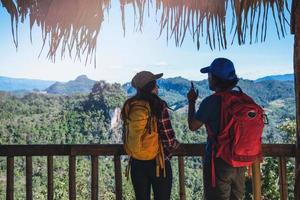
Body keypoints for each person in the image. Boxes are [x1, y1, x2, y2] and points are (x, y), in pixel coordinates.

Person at [187, 58, 247, 200]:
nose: (208, 79)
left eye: (210, 76)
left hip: (219, 162)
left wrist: (191, 101)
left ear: (215, 78)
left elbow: (193, 126)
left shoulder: (211, 101)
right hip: (240, 161)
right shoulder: (242, 98)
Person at [122, 71, 179, 200]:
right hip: (158, 163)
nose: (157, 88)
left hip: (137, 162)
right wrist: (174, 144)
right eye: (155, 85)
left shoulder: (129, 105)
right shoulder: (158, 105)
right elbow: (168, 138)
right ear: (151, 87)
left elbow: (126, 133)